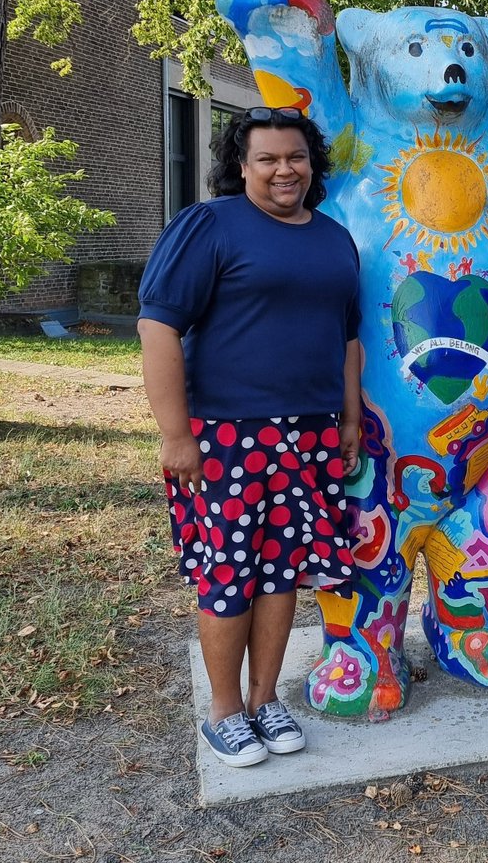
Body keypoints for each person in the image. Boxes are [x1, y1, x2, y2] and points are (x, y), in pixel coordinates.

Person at [138, 106, 362, 769]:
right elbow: (158, 327)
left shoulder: (333, 239)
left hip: (311, 435)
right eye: (266, 158)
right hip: (227, 438)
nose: (283, 169)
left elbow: (348, 338)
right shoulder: (210, 226)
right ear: (242, 166)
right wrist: (176, 434)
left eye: (295, 156)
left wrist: (348, 420)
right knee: (229, 574)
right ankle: (226, 712)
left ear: (311, 163)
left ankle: (265, 701)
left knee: (283, 573)